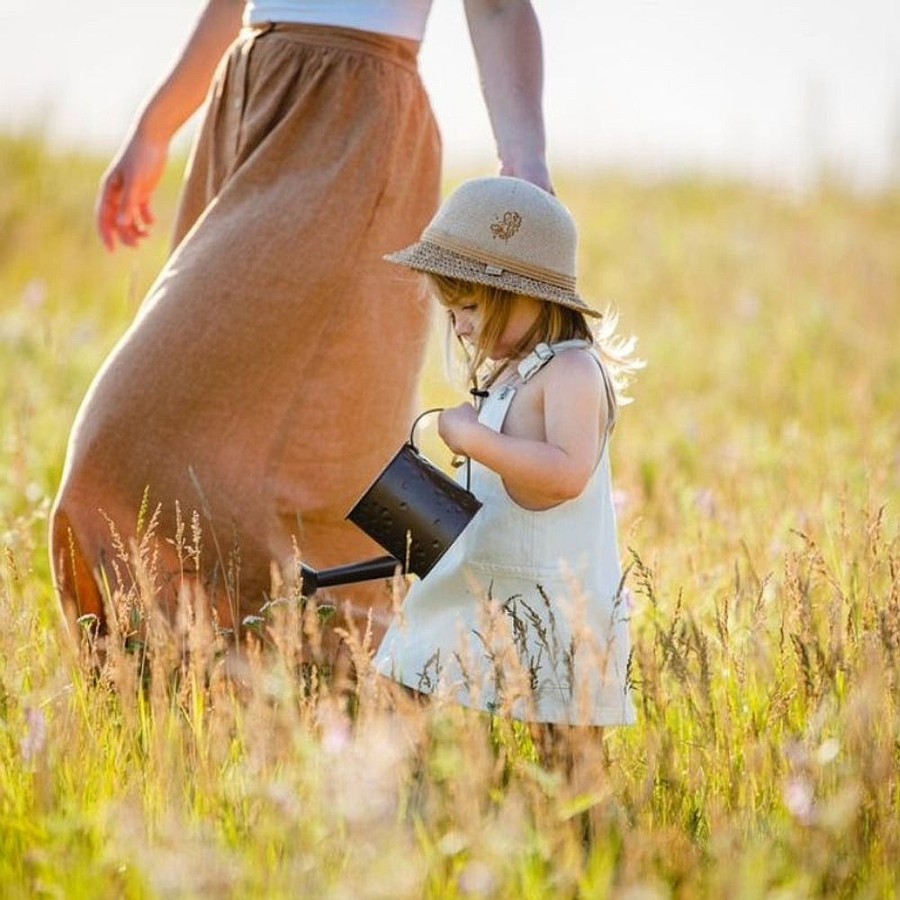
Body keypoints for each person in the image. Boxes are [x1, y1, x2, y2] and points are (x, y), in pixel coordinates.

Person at [49, 1, 552, 643]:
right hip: (250, 100)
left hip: (353, 118)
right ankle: (241, 679)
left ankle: (459, 640)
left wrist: (526, 159)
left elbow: (498, 5)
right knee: (303, 429)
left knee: (337, 439)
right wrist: (156, 126)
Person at [373, 176, 640, 728]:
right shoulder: (510, 373)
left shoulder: (570, 370)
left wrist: (476, 439)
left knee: (565, 738)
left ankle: (576, 816)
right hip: (477, 579)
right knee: (406, 685)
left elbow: (568, 472)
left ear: (530, 295)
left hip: (553, 595)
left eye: (469, 306)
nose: (462, 327)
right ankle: (407, 800)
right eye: (451, 314)